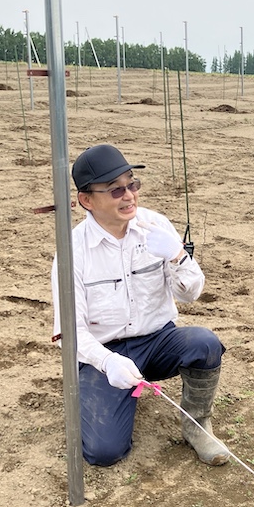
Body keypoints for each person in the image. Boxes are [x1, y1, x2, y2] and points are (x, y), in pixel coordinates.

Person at [51, 144, 229, 467]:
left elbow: (190, 294)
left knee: (204, 344)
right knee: (104, 452)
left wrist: (177, 255)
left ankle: (198, 425)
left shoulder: (155, 227)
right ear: (87, 200)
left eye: (132, 184)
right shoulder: (73, 251)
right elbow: (70, 332)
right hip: (105, 352)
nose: (129, 196)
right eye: (116, 190)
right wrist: (108, 362)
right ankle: (101, 395)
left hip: (158, 340)